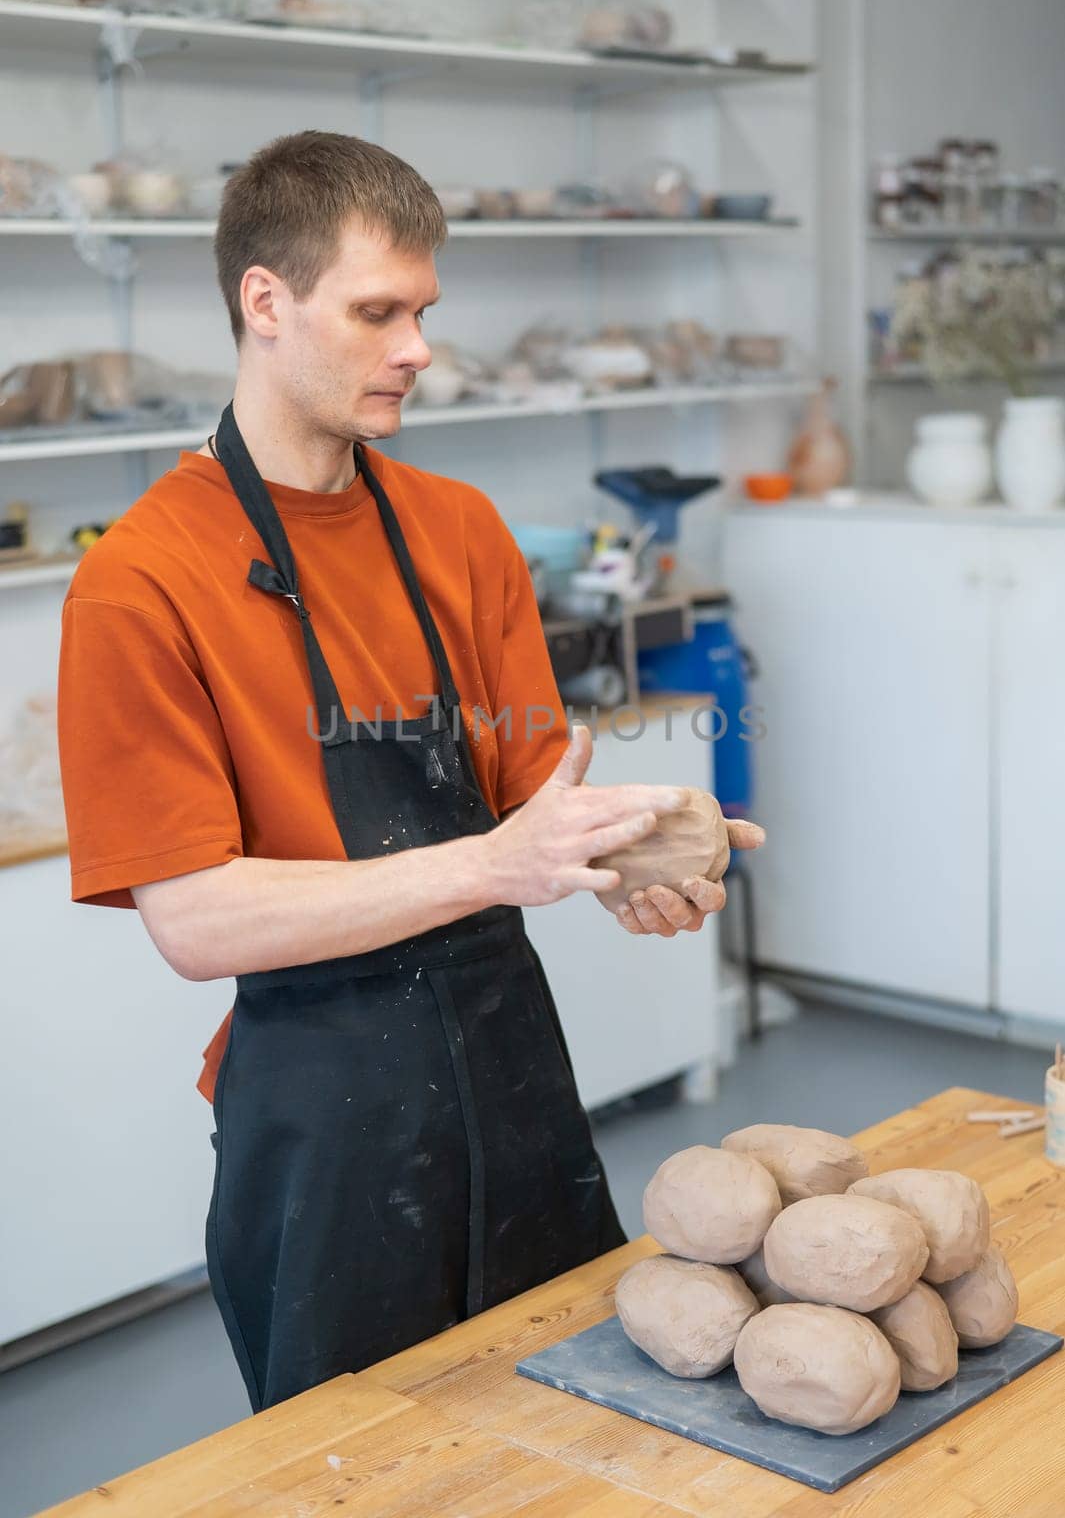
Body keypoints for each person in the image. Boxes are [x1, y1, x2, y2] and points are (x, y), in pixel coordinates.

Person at [57, 130, 765, 1411]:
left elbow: (535, 793)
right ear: (264, 302)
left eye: (424, 311)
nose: (419, 348)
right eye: (378, 311)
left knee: (578, 1440)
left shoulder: (459, 529)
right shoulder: (141, 578)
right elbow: (196, 917)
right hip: (320, 1133)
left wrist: (643, 846)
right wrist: (495, 864)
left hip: (515, 1082)